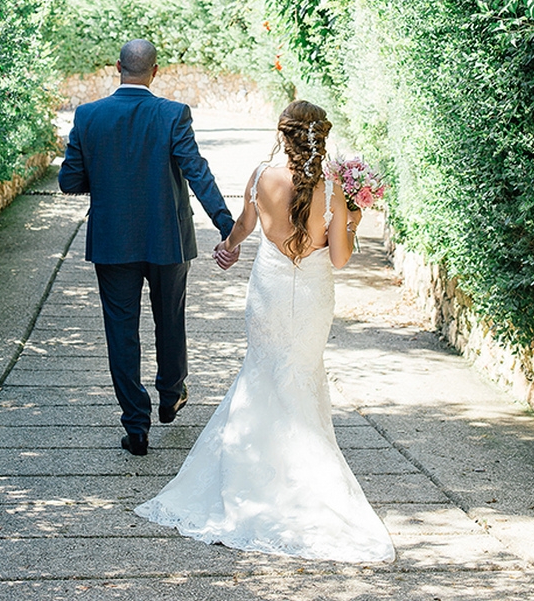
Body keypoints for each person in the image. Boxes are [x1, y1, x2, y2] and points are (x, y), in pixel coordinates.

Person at [135, 99, 395, 563]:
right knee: (302, 372)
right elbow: (338, 258)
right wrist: (352, 221)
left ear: (283, 133)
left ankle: (247, 474)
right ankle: (304, 475)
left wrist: (228, 248)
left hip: (269, 291)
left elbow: (243, 226)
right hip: (312, 294)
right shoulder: (332, 186)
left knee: (261, 373)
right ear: (320, 136)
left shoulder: (260, 176)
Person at [58, 39, 235, 457]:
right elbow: (197, 172)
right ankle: (171, 394)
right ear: (155, 72)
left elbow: (69, 181)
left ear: (117, 67)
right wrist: (226, 226)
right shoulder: (173, 114)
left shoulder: (88, 116)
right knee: (170, 319)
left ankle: (136, 427)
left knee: (121, 333)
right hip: (167, 240)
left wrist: (104, 180)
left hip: (112, 241)